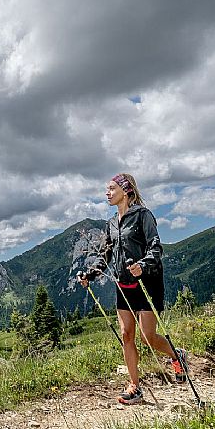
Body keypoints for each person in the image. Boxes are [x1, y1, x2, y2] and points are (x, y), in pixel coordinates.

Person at [77, 173, 189, 405]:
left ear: (126, 190)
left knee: (148, 337)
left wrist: (142, 265)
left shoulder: (143, 216)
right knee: (127, 334)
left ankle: (176, 356)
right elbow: (105, 256)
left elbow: (156, 247)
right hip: (123, 284)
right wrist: (90, 274)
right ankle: (134, 387)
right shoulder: (110, 224)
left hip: (147, 282)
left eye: (111, 189)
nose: (107, 193)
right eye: (106, 190)